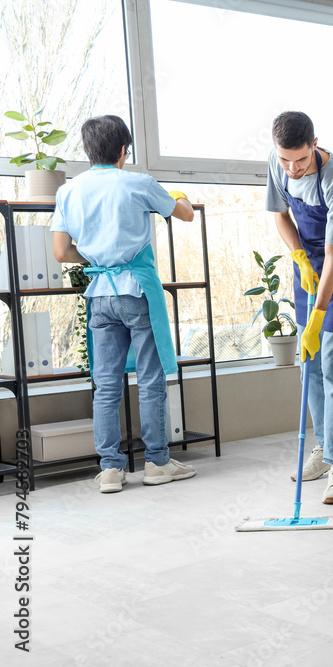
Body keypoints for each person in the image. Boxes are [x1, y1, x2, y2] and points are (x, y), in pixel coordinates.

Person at [52, 115, 196, 494]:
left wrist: (99, 261)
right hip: (137, 290)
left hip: (99, 294)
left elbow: (60, 252)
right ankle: (157, 463)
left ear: (87, 151)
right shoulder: (138, 182)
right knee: (150, 380)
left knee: (106, 385)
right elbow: (185, 214)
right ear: (122, 150)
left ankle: (112, 470)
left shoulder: (69, 191)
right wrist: (177, 196)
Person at [265, 111, 333, 505]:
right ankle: (323, 450)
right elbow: (280, 215)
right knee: (310, 364)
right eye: (285, 159)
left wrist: (318, 316)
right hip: (307, 267)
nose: (292, 168)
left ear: (315, 145)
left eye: (300, 160)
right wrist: (298, 257)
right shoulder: (278, 162)